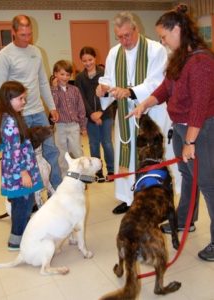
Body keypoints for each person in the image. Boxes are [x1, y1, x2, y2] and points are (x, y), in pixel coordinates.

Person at [127, 4, 214, 261]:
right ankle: (186, 220)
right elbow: (166, 88)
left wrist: (191, 141)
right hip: (182, 129)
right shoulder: (180, 58)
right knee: (188, 177)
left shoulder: (200, 62)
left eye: (164, 36)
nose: (162, 41)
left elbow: (199, 106)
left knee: (209, 184)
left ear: (178, 29)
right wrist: (145, 103)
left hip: (200, 131)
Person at [96, 11, 180, 213]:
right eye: (120, 37)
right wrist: (103, 89)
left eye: (127, 35)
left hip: (152, 112)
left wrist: (132, 92)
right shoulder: (114, 53)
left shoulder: (155, 50)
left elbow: (157, 82)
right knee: (127, 151)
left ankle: (153, 198)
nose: (124, 41)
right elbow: (108, 78)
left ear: (136, 29)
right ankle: (128, 198)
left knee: (151, 154)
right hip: (125, 115)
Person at [0, 15, 62, 190]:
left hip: (38, 111)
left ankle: (57, 190)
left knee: (51, 150)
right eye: (23, 34)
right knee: (25, 156)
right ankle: (30, 195)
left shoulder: (36, 52)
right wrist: (4, 116)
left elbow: (43, 82)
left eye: (29, 34)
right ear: (13, 32)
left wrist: (52, 107)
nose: (27, 38)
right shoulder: (4, 55)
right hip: (18, 115)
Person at [0, 81, 43, 250]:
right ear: (9, 100)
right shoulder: (10, 123)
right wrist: (24, 173)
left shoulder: (12, 117)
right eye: (21, 98)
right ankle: (16, 241)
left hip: (18, 169)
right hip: (19, 171)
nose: (24, 101)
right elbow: (15, 151)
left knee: (24, 202)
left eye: (24, 98)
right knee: (22, 204)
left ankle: (24, 233)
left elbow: (13, 145)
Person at [75, 46, 114, 182]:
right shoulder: (79, 77)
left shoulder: (104, 74)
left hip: (106, 114)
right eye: (84, 60)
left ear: (95, 58)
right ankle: (97, 171)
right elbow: (81, 98)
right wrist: (91, 114)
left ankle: (111, 170)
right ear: (81, 61)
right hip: (90, 117)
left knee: (107, 143)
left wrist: (101, 113)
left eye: (90, 59)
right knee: (93, 144)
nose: (88, 63)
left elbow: (110, 96)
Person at [51, 60, 87, 178]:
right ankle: (65, 178)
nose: (65, 77)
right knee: (62, 153)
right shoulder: (52, 91)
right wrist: (55, 89)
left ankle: (81, 176)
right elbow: (53, 106)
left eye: (68, 74)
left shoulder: (74, 90)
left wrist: (83, 126)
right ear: (55, 74)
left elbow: (81, 108)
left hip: (73, 126)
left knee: (77, 151)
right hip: (60, 127)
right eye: (62, 74)